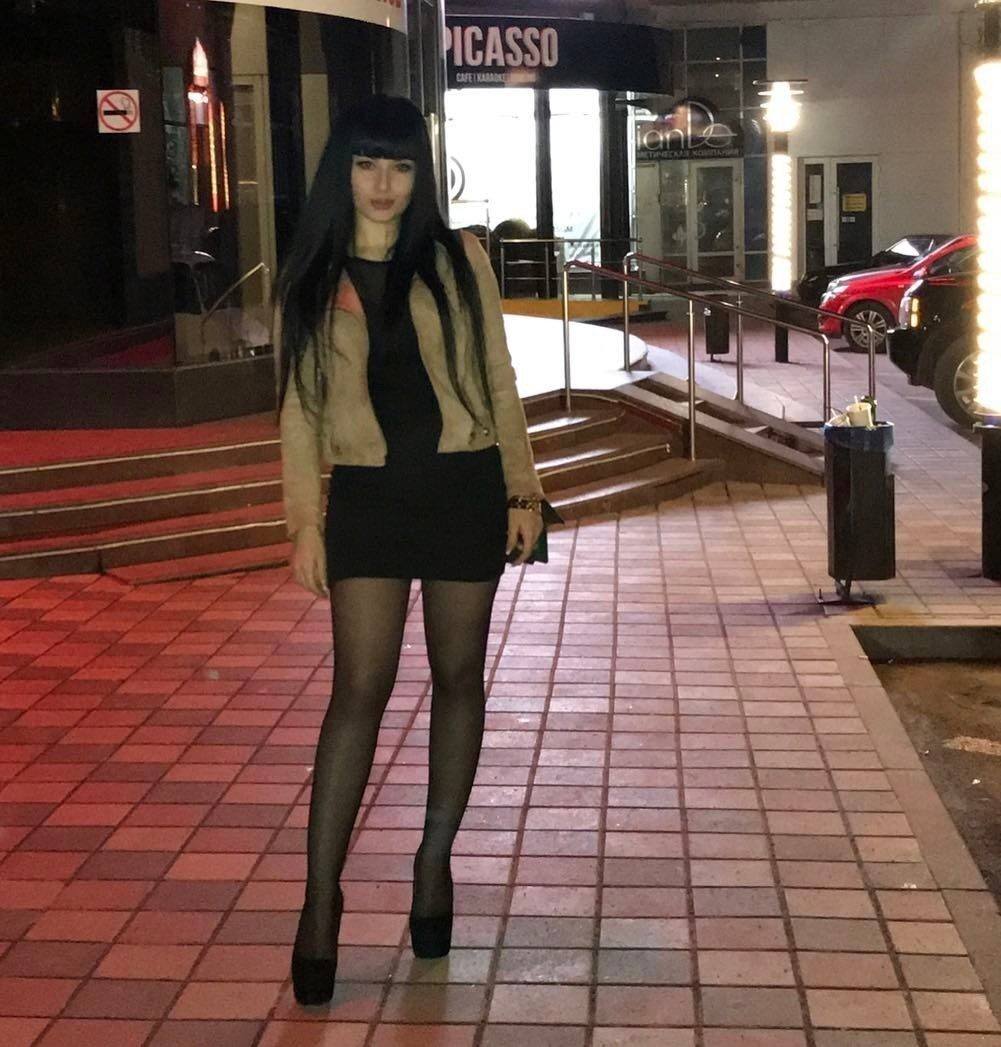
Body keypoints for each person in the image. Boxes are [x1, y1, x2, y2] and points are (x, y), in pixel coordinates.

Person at [275, 95, 545, 1007]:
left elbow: (499, 378)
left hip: (463, 488)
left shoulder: (459, 259)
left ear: (420, 174)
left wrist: (522, 490)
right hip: (369, 499)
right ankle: (321, 899)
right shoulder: (313, 275)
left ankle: (433, 862)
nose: (383, 184)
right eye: (367, 164)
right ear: (342, 172)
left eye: (399, 165)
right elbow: (299, 410)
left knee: (459, 676)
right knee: (359, 689)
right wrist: (304, 523)